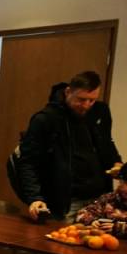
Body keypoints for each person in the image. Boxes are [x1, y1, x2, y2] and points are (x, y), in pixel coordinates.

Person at [17, 71, 122, 221]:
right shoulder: (46, 119)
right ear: (68, 92)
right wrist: (34, 197)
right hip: (67, 201)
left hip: (99, 199)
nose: (86, 105)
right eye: (81, 99)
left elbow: (106, 142)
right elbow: (28, 162)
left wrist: (116, 162)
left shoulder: (100, 111)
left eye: (92, 100)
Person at [75, 164, 127, 237]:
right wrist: (92, 221)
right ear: (120, 181)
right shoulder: (109, 198)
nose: (126, 188)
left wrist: (119, 228)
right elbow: (82, 214)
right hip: (102, 241)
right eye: (125, 182)